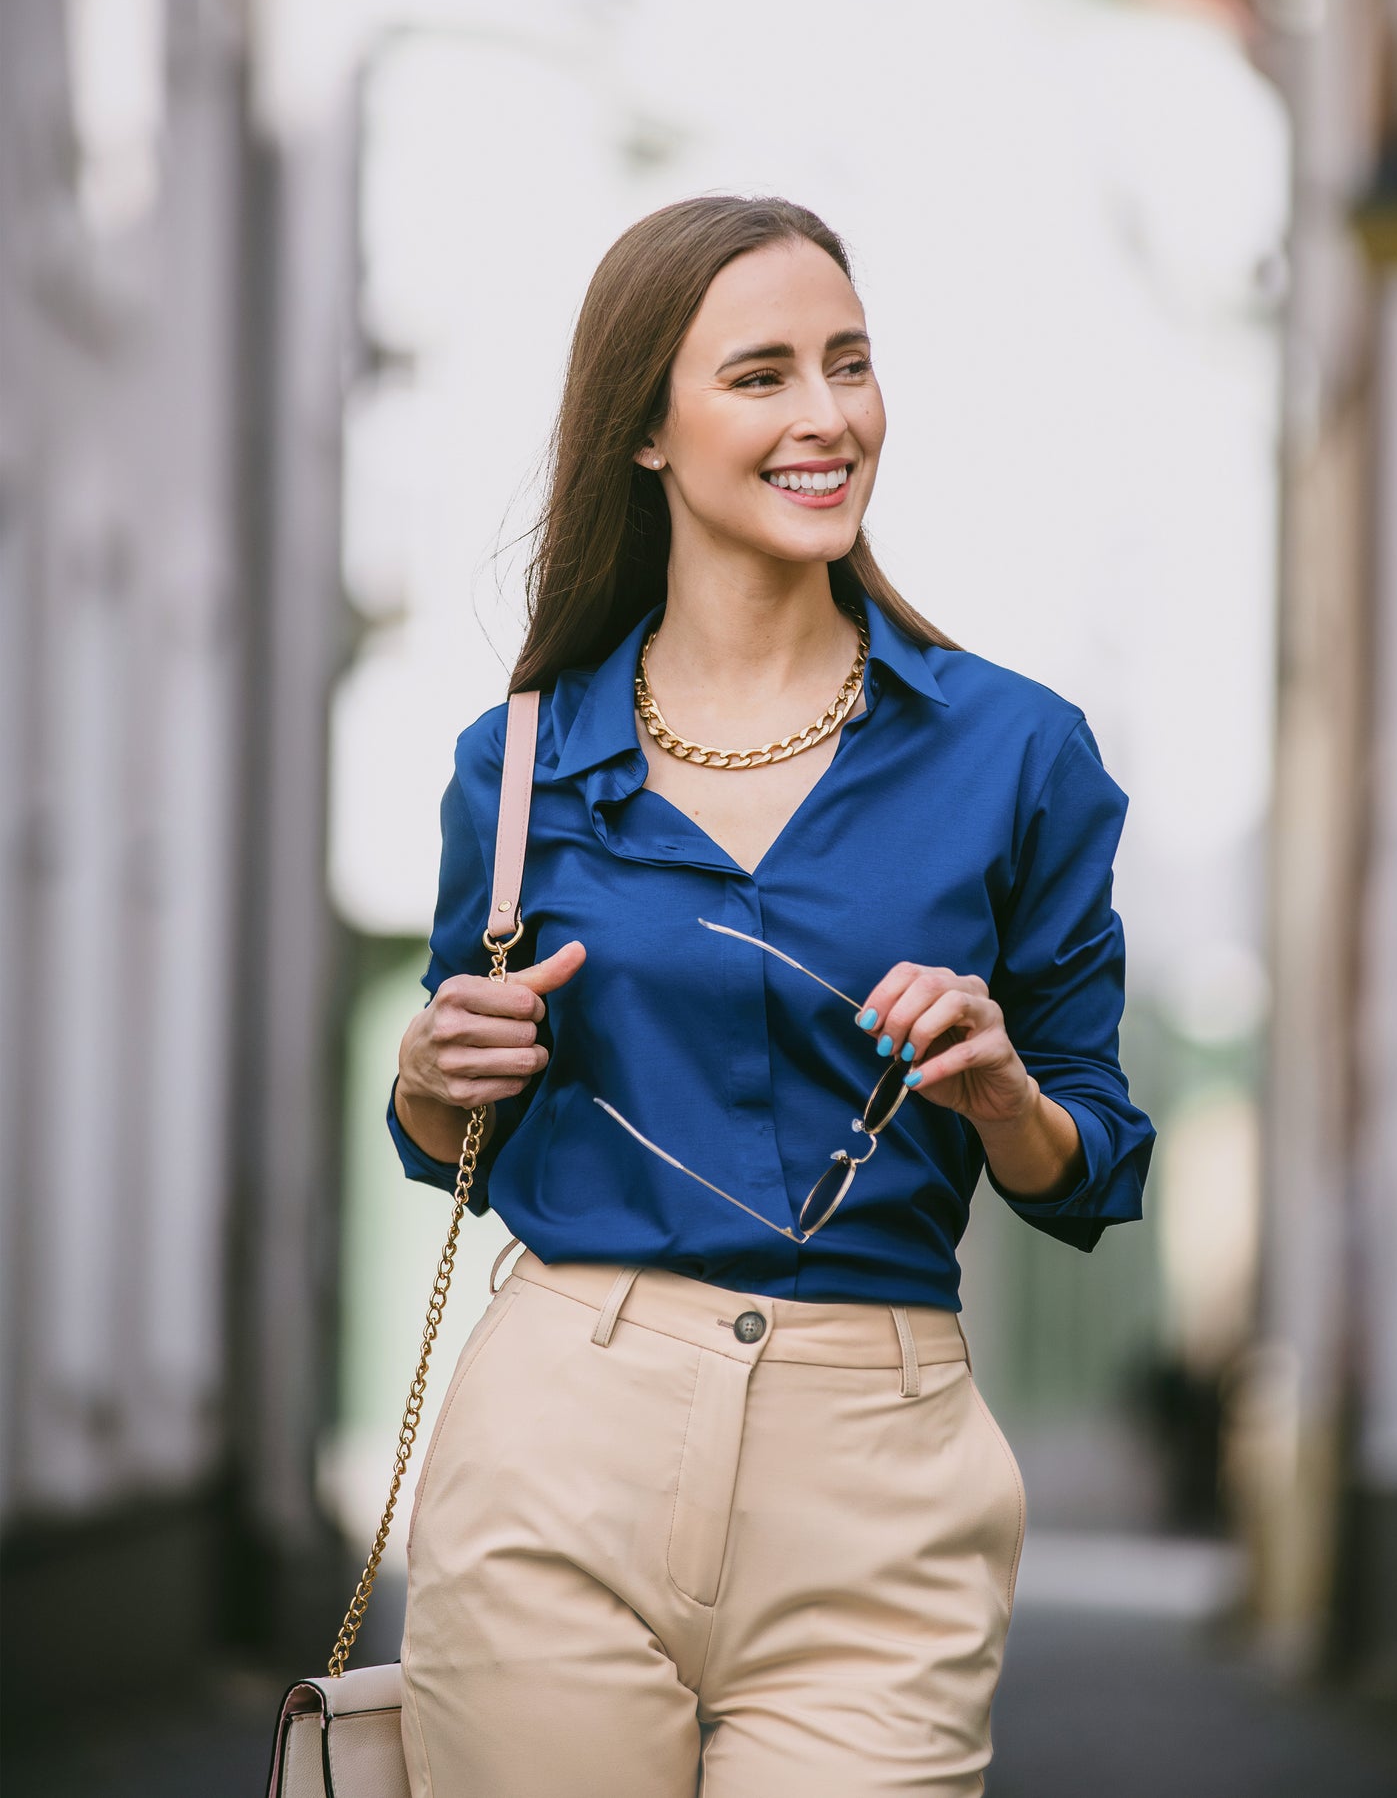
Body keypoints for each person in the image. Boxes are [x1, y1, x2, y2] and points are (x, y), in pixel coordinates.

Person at [389, 196, 1155, 1798]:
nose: (826, 417)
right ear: (646, 431)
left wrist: (1005, 1096)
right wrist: (431, 1067)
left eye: (849, 364)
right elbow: (446, 1124)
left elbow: (1096, 1157)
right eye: (761, 375)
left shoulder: (1016, 754)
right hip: (559, 1434)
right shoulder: (517, 766)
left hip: (879, 1458)